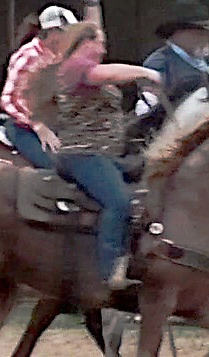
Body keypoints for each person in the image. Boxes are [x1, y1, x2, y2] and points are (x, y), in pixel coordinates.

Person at [24, 23, 163, 288]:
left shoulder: (80, 66)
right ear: (83, 43)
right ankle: (107, 272)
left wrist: (92, 3)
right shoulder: (76, 68)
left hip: (104, 156)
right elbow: (105, 73)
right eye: (98, 42)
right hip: (83, 155)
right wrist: (147, 72)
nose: (103, 48)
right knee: (119, 202)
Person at [0, 0, 103, 168]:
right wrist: (39, 126)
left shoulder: (62, 55)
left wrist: (93, 4)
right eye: (67, 32)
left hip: (56, 124)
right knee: (53, 165)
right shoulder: (27, 56)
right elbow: (9, 99)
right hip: (25, 128)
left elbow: (93, 38)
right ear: (53, 32)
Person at [129, 0, 209, 147]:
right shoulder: (159, 63)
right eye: (197, 31)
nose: (204, 37)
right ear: (177, 33)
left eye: (205, 32)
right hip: (173, 142)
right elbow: (150, 112)